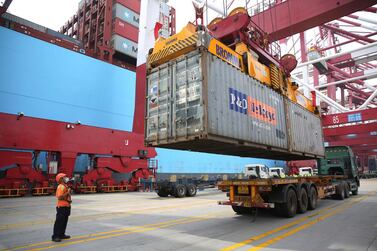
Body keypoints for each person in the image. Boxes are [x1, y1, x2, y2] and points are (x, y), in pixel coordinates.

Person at [52, 173, 72, 242]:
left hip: (66, 206)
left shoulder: (65, 186)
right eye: (64, 177)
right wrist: (68, 192)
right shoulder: (61, 187)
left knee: (64, 222)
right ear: (61, 179)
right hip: (62, 207)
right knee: (59, 222)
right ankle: (55, 236)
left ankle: (61, 234)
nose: (66, 178)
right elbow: (60, 197)